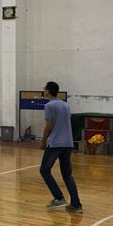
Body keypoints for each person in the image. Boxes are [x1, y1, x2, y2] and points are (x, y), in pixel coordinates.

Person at [40, 81, 83, 213]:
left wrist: (43, 141)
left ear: (48, 91)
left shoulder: (49, 106)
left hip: (55, 143)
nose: (44, 91)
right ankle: (76, 204)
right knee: (67, 175)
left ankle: (59, 198)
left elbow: (49, 126)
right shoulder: (65, 105)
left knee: (44, 170)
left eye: (45, 89)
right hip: (68, 143)